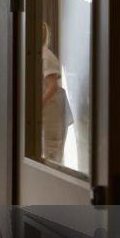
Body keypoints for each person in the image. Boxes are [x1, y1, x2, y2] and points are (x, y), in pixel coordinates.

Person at [42, 22, 73, 163]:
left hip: (50, 116)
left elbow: (53, 86)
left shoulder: (47, 57)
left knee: (51, 158)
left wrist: (37, 104)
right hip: (44, 116)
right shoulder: (34, 56)